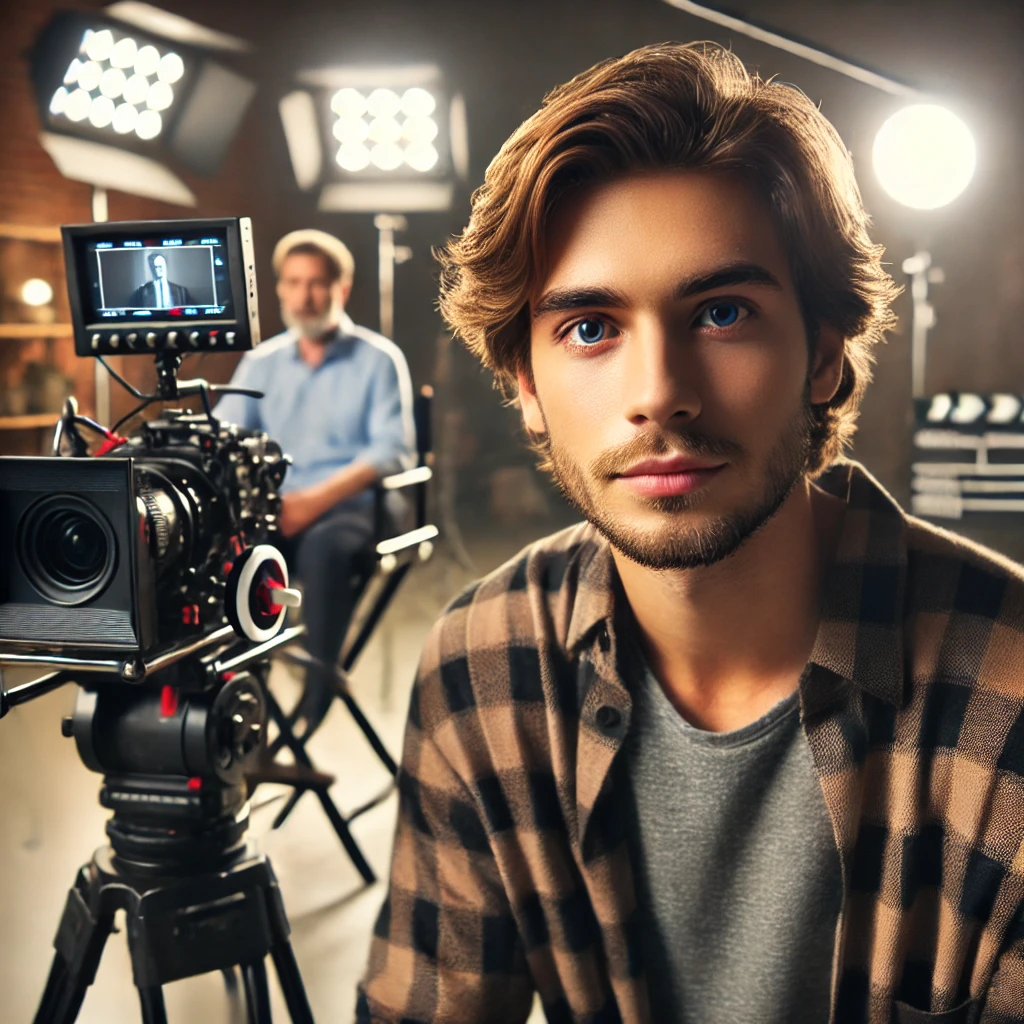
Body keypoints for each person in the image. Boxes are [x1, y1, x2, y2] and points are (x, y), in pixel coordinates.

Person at [357, 43, 1024, 1024]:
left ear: (825, 354)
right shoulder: (481, 667)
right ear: (525, 388)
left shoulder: (1009, 692)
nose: (658, 392)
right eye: (591, 327)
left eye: (720, 312)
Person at [215, 229, 414, 730]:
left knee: (324, 551)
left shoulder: (378, 358)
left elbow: (391, 451)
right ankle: (241, 698)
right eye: (294, 282)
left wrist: (311, 502)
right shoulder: (260, 364)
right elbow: (222, 435)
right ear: (280, 289)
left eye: (317, 283)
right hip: (278, 508)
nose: (305, 295)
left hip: (355, 506)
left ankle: (316, 697)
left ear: (340, 289)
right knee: (231, 552)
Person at [128, 251, 194, 308]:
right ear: (151, 268)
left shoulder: (181, 291)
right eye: (156, 267)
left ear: (165, 266)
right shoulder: (142, 292)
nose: (159, 269)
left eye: (160, 266)